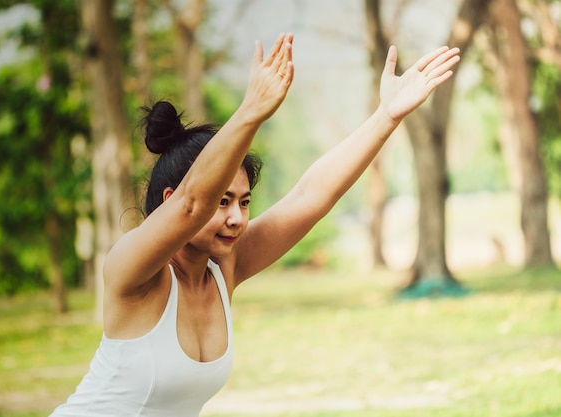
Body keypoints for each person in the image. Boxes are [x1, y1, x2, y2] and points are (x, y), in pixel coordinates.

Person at [49, 32, 460, 417]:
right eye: (222, 201)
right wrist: (250, 112)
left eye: (244, 202)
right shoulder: (132, 271)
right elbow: (194, 204)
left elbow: (309, 198)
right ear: (169, 202)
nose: (236, 218)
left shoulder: (223, 269)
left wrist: (385, 117)